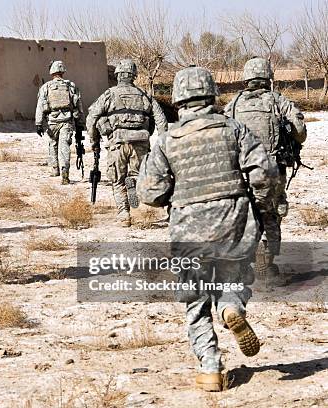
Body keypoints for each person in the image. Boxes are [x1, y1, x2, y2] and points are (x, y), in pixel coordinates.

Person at [138, 66, 276, 392]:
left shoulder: (167, 140)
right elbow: (264, 174)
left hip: (188, 228)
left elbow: (150, 194)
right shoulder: (236, 130)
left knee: (196, 299)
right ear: (212, 95)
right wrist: (259, 206)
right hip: (234, 219)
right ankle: (231, 306)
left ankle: (210, 365)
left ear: (179, 100)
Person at [224, 57, 307, 284]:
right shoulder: (278, 101)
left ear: (246, 78)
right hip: (271, 169)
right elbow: (300, 130)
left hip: (241, 171)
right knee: (272, 213)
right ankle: (265, 265)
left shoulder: (233, 104)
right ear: (268, 77)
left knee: (242, 214)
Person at [86, 59, 168, 226]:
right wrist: (163, 143)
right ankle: (136, 195)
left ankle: (124, 214)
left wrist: (94, 141)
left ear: (117, 75)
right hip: (140, 143)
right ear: (134, 76)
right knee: (138, 175)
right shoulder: (145, 95)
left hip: (117, 142)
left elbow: (91, 118)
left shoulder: (109, 94)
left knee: (117, 179)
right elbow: (161, 120)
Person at [35, 60, 85, 184]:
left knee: (53, 144)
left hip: (52, 121)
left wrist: (38, 124)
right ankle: (65, 173)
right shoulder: (71, 86)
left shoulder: (46, 87)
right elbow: (78, 106)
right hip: (66, 121)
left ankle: (55, 169)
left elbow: (40, 106)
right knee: (64, 147)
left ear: (51, 72)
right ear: (63, 71)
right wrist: (80, 124)